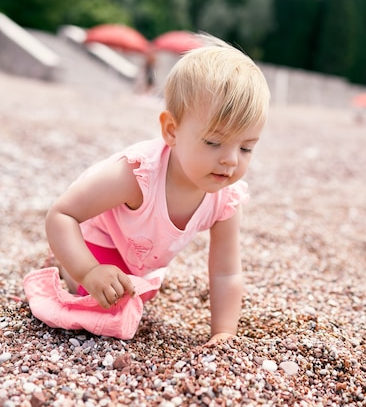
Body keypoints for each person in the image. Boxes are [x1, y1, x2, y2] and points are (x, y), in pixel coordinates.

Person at [44, 34, 270, 345]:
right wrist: (88, 271)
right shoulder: (137, 176)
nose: (230, 160)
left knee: (131, 297)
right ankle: (65, 264)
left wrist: (224, 334)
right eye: (214, 142)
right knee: (107, 307)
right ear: (171, 131)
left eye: (246, 148)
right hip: (96, 238)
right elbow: (62, 214)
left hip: (139, 256)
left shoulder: (226, 200)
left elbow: (226, 274)